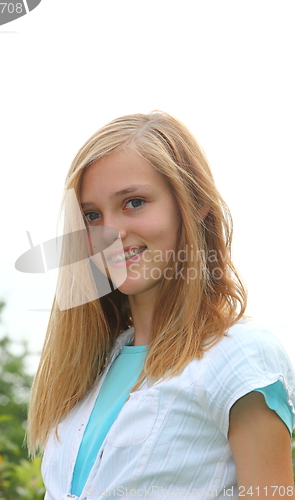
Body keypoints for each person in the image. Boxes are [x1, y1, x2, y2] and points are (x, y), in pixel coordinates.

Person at [27, 111, 295, 500]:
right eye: (91, 215)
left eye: (134, 202)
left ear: (196, 204)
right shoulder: (89, 367)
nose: (112, 233)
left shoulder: (241, 356)